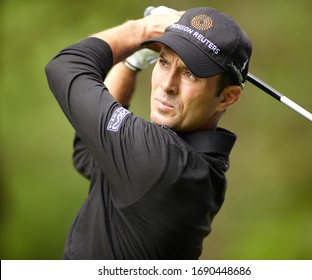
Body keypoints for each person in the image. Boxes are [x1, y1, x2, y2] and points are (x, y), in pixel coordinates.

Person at [45, 6, 252, 260]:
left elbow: (65, 67)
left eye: (190, 74)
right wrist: (133, 61)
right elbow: (88, 154)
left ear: (227, 97)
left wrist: (141, 30)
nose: (167, 85)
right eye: (163, 62)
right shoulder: (199, 166)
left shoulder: (163, 162)